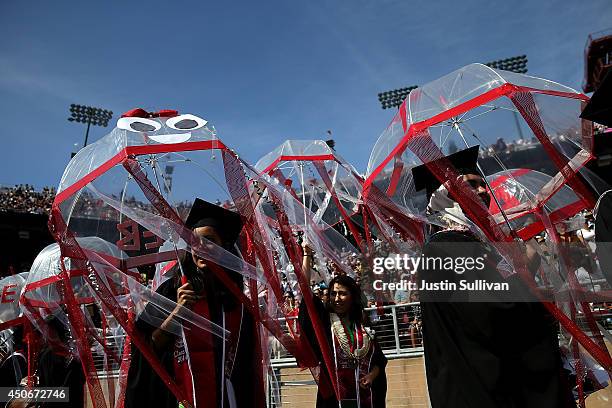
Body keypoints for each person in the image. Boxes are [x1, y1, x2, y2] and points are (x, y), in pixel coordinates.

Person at [412, 146, 575, 408]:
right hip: (476, 383)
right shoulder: (448, 245)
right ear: (445, 195)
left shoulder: (463, 243)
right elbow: (493, 311)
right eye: (471, 185)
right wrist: (528, 269)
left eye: (483, 184)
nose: (483, 191)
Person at [125, 198, 264, 408]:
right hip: (179, 399)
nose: (200, 248)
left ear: (223, 248)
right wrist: (178, 312)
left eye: (209, 241)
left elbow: (246, 369)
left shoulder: (238, 304)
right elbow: (147, 351)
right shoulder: (172, 291)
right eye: (195, 242)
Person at [300, 246, 387, 407]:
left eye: (342, 293)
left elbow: (379, 361)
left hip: (365, 398)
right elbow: (305, 291)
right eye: (333, 293)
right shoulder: (326, 322)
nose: (337, 298)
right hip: (335, 399)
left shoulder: (362, 325)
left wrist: (371, 376)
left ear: (353, 297)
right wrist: (307, 255)